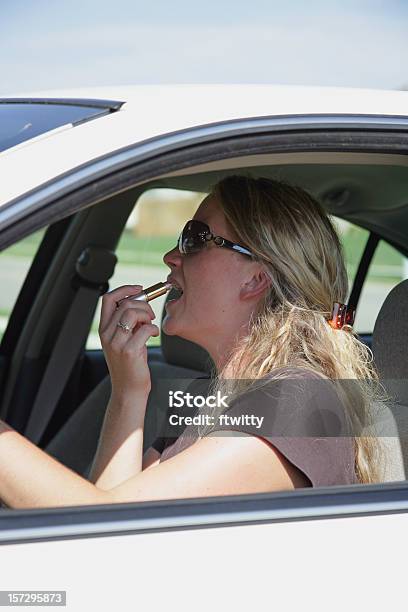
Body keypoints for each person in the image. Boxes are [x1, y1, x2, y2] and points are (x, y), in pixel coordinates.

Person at [0, 175, 387, 509]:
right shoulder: (208, 401)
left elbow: (101, 529)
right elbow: (114, 516)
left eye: (195, 238)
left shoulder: (298, 401)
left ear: (255, 279)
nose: (171, 256)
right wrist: (129, 389)